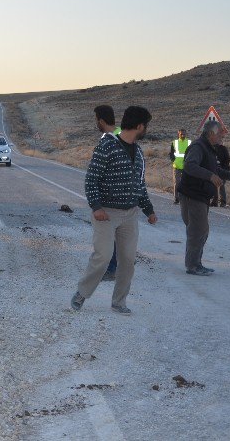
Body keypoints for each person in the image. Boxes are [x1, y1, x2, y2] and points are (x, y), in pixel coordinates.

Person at [71, 106, 158, 315]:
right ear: (139, 126)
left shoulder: (138, 151)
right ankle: (81, 293)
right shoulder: (107, 145)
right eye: (145, 125)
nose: (146, 129)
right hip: (107, 213)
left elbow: (140, 185)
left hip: (130, 214)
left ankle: (119, 301)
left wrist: (149, 210)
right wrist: (96, 207)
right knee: (103, 256)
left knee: (128, 259)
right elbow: (91, 178)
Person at [177, 120, 230, 275]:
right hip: (192, 195)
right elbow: (189, 166)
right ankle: (193, 266)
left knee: (201, 231)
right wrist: (210, 176)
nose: (222, 135)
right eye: (219, 133)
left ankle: (196, 264)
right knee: (198, 231)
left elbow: (216, 170)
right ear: (210, 134)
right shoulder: (198, 147)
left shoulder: (209, 149)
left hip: (200, 196)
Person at [93, 105, 121, 281]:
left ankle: (111, 269)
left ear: (101, 121)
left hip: (112, 198)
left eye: (96, 119)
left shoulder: (114, 139)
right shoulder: (118, 136)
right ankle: (114, 268)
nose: (95, 123)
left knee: (109, 236)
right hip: (117, 196)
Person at [168, 129, 192, 204]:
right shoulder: (174, 142)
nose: (182, 135)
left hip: (186, 166)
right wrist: (173, 161)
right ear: (178, 134)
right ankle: (176, 199)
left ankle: (186, 198)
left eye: (184, 134)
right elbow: (171, 153)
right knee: (177, 183)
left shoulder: (189, 142)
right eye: (181, 134)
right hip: (177, 166)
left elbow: (192, 152)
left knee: (187, 183)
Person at [211, 132, 230, 207]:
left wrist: (223, 167)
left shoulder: (223, 148)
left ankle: (223, 202)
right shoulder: (211, 148)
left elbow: (227, 159)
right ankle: (214, 201)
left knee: (221, 185)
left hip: (223, 170)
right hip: (214, 169)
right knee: (214, 185)